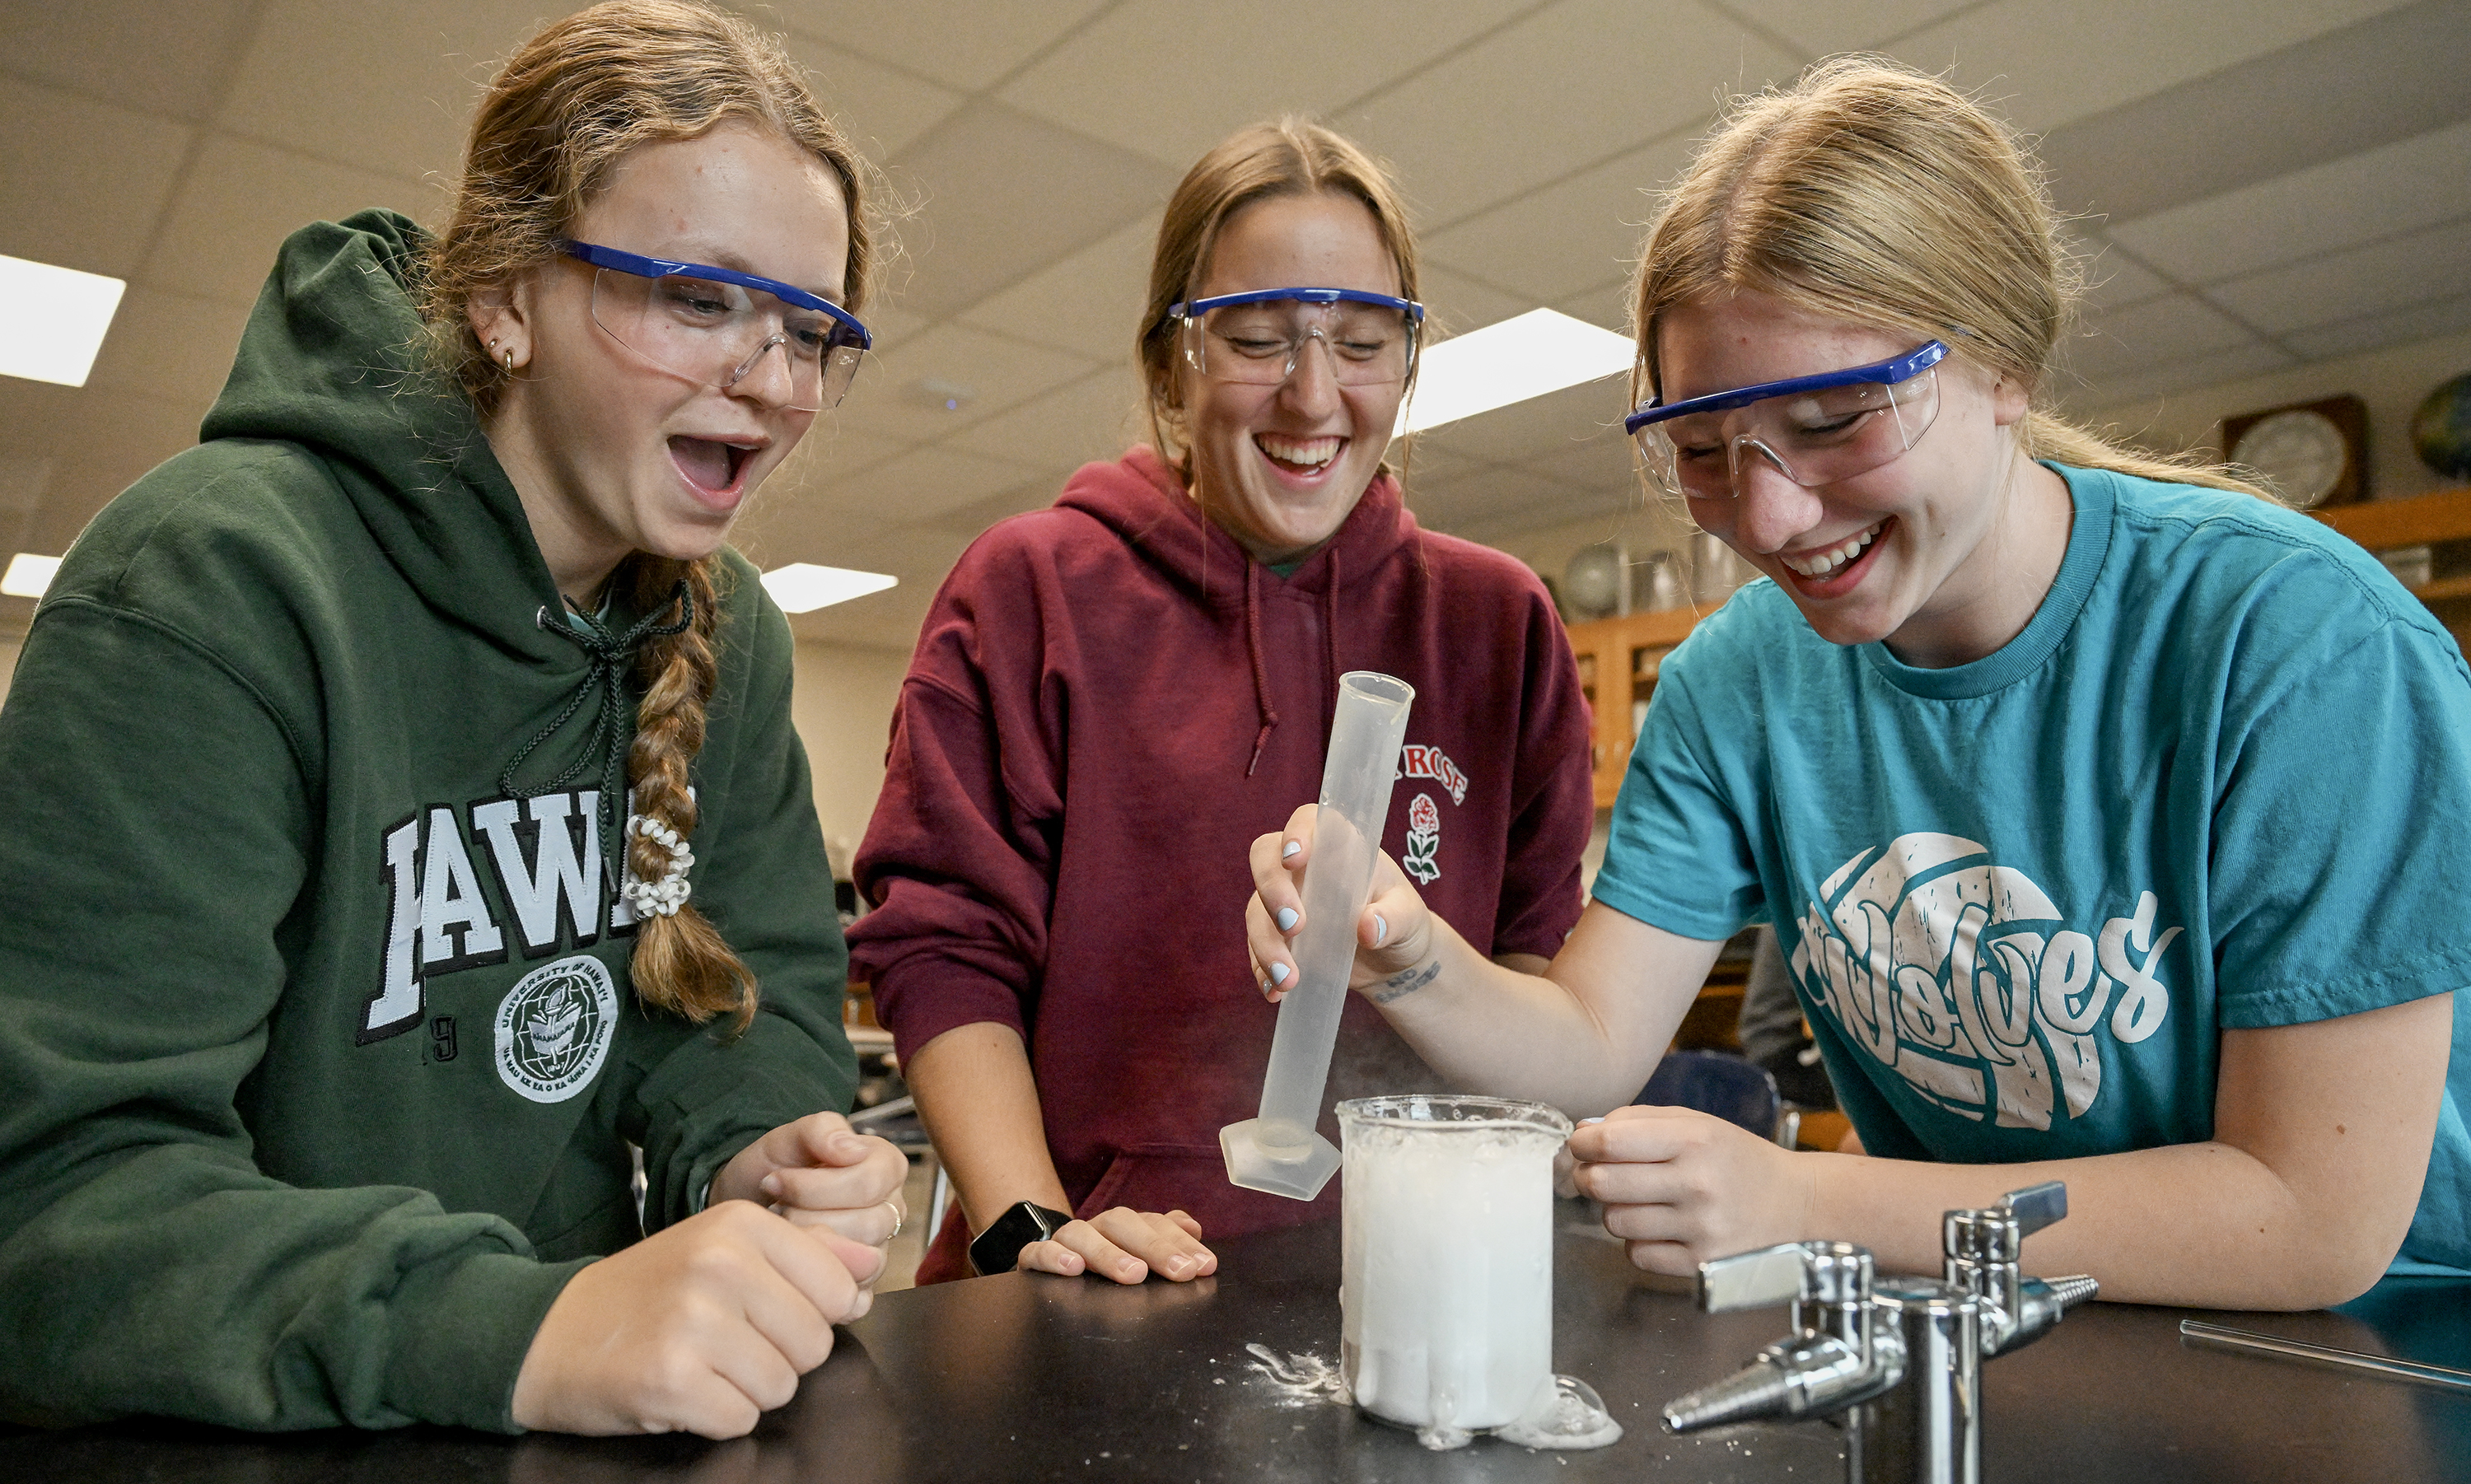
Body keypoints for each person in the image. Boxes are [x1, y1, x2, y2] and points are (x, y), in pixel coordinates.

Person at [1248, 58, 2471, 1312]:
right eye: (1704, 453)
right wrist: (1402, 952)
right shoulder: (1739, 685)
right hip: (1983, 1334)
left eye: (1835, 420)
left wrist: (1803, 1199)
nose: (1768, 517)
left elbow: (2308, 1220)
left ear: (2009, 369)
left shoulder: (2302, 648)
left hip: (2358, 1364)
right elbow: (1591, 1050)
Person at [0, 0, 911, 1438]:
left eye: (811, 330)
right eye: (696, 299)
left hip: (578, 1427)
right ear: (503, 297)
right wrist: (510, 1325)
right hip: (234, 1447)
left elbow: (743, 1006)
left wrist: (751, 1154)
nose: (772, 381)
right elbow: (58, 1203)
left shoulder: (729, 634)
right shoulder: (215, 580)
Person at [849, 119, 1593, 1288]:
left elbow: (1538, 969)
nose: (1312, 396)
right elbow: (945, 948)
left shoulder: (1497, 623)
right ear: (1167, 366)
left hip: (1410, 1280)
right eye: (1255, 340)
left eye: (1361, 343)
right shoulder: (1033, 590)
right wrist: (1035, 1230)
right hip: (1100, 1287)